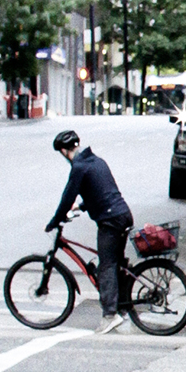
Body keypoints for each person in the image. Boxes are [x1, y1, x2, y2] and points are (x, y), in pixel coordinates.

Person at [46, 130, 134, 333]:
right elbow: (102, 190)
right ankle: (123, 308)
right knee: (116, 263)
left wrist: (54, 222)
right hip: (122, 214)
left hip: (110, 220)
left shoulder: (79, 167)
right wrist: (81, 207)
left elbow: (67, 197)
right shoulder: (96, 161)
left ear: (63, 151)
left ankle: (110, 315)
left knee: (107, 266)